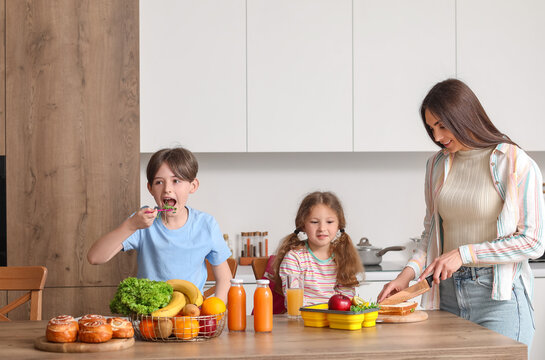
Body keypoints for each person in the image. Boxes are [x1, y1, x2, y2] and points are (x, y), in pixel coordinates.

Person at [377, 79, 544, 348]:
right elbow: (430, 233)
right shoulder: (436, 165)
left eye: (443, 125)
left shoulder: (513, 161)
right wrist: (405, 276)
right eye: (432, 128)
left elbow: (533, 241)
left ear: (465, 116)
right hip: (447, 296)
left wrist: (464, 253)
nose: (438, 137)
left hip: (498, 300)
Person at [87, 147, 232, 302]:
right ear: (150, 188)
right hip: (149, 319)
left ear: (193, 186)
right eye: (159, 182)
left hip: (190, 317)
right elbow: (95, 257)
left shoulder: (206, 224)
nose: (167, 189)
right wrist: (131, 225)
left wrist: (216, 310)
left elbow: (225, 279)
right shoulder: (141, 222)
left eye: (176, 181)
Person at [273, 191, 364, 306]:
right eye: (314, 222)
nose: (322, 228)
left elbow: (347, 299)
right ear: (302, 225)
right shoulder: (294, 258)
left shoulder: (342, 257)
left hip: (333, 319)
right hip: (303, 320)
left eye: (329, 222)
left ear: (339, 225)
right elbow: (294, 301)